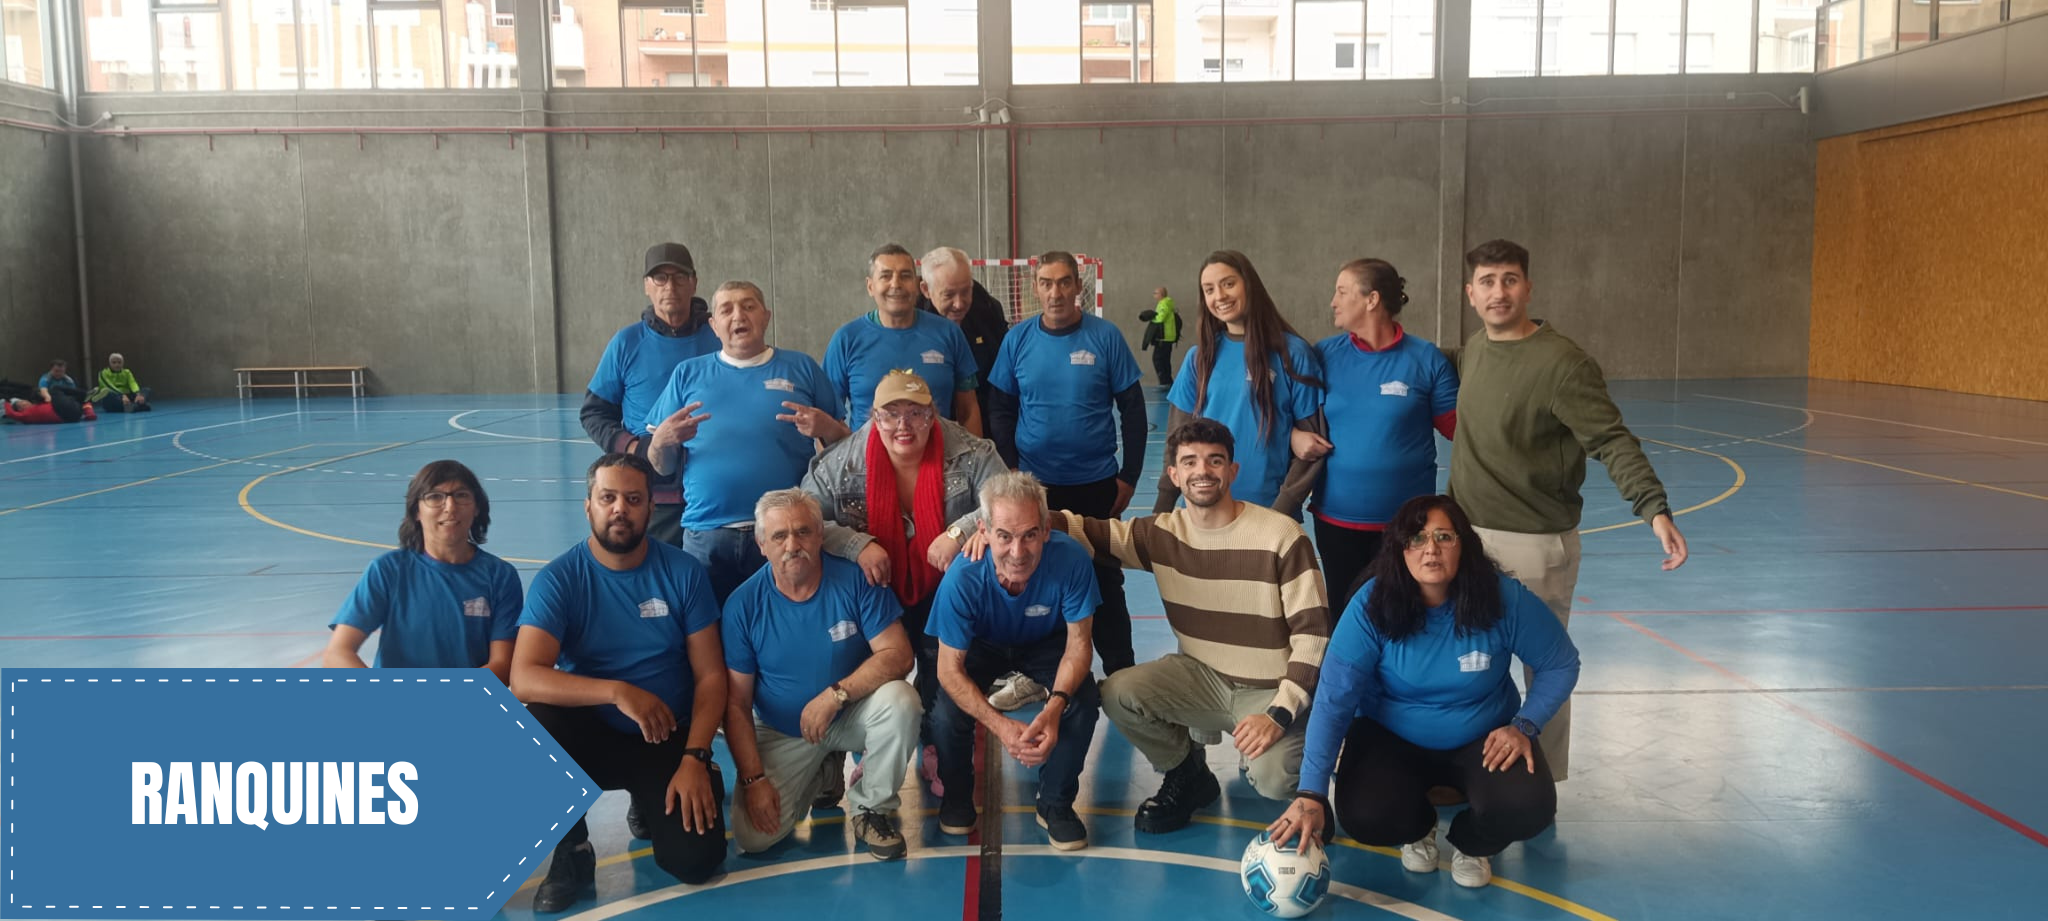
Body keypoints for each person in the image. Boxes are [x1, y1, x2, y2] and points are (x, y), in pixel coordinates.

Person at [1006, 418, 1330, 834]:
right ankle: (1189, 774)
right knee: (1118, 692)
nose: (1202, 471)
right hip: (1203, 678)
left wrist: (1278, 714)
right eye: (1190, 462)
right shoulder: (1162, 534)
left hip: (1270, 687)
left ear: (1233, 471)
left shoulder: (1279, 535)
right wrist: (979, 530)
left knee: (1274, 779)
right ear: (1174, 475)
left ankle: (1313, 759)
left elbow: (1314, 636)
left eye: (1215, 461)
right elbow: (1084, 530)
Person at [1450, 238, 1688, 781]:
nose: (1499, 292)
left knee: (1545, 668)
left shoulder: (1563, 363)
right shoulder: (1475, 349)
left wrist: (1654, 509)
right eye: (1487, 282)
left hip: (1535, 545)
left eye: (1510, 279)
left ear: (1528, 288)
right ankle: (1470, 772)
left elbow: (1612, 440)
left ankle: (1541, 783)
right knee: (1468, 662)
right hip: (1468, 538)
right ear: (1470, 294)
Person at [1267, 494, 1580, 889]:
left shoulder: (1503, 599)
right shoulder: (1371, 605)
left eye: (1444, 537)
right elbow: (1334, 699)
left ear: (1465, 545)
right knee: (1366, 816)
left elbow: (1561, 663)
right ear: (1399, 549)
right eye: (1416, 538)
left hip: (1483, 737)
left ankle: (1471, 842)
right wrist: (1311, 792)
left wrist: (1524, 725)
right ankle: (1419, 830)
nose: (1430, 549)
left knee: (1529, 808)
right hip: (1390, 734)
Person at [512, 454, 728, 911]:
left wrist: (696, 756)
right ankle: (573, 848)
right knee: (535, 722)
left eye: (632, 499)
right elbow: (524, 677)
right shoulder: (560, 579)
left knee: (696, 863)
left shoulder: (682, 572)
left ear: (651, 507)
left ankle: (651, 797)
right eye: (607, 497)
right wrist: (617, 692)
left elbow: (711, 676)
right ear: (588, 505)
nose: (619, 509)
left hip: (664, 734)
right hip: (588, 735)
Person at [801, 369, 1009, 797]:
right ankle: (873, 745)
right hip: (874, 585)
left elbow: (1008, 499)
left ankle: (935, 743)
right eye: (891, 414)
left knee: (941, 667)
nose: (903, 425)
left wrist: (959, 532)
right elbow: (806, 518)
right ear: (873, 417)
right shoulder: (843, 462)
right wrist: (857, 544)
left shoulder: (969, 451)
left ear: (933, 415)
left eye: (915, 413)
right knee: (871, 666)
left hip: (944, 584)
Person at [720, 489, 920, 860]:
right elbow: (736, 704)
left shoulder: (856, 580)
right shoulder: (742, 606)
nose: (792, 545)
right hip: (783, 728)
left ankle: (870, 808)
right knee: (754, 838)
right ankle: (824, 772)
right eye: (779, 536)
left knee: (902, 701)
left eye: (803, 532)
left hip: (849, 713)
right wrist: (753, 780)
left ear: (820, 535)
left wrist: (835, 695)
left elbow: (899, 655)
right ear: (762, 545)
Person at [986, 250, 1147, 677]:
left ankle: (1122, 674)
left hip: (1096, 485)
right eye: (1046, 283)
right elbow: (999, 408)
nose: (1055, 292)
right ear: (1035, 288)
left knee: (1105, 580)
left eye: (1063, 282)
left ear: (1078, 286)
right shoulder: (1017, 340)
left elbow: (1133, 409)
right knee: (1036, 578)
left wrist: (1129, 476)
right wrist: (1012, 468)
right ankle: (1045, 675)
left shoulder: (1105, 337)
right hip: (1037, 489)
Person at [643, 280, 850, 603]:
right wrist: (661, 442)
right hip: (706, 533)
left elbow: (846, 448)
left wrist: (829, 429)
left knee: (782, 621)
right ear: (714, 325)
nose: (738, 315)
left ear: (766, 317)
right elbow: (661, 466)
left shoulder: (801, 367)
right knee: (704, 627)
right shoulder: (687, 374)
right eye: (727, 309)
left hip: (785, 533)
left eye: (748, 306)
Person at [927, 472, 1101, 850]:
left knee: (1083, 702)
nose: (1018, 552)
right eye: (1004, 536)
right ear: (984, 531)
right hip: (983, 643)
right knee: (944, 712)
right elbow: (948, 670)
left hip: (1045, 642)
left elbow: (1078, 647)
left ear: (1047, 529)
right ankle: (957, 798)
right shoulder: (962, 577)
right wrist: (1002, 727)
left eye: (1030, 535)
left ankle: (1055, 803)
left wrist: (1055, 707)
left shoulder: (1071, 560)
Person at [1310, 260, 1458, 617]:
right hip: (1336, 523)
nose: (1333, 301)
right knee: (1346, 617)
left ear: (1372, 299)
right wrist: (1297, 436)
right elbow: (1291, 415)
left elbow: (1461, 431)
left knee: (1403, 617)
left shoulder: (1425, 359)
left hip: (1405, 526)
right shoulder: (1323, 356)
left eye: (1342, 292)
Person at [324, 460, 522, 683]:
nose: (450, 507)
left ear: (477, 507)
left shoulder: (500, 576)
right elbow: (337, 653)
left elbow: (502, 665)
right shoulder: (388, 571)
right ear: (416, 510)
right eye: (435, 497)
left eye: (461, 495)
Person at [1157, 251, 1324, 515]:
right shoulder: (1198, 358)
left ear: (1249, 284)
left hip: (1268, 512)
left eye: (1228, 284)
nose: (1220, 296)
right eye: (1209, 290)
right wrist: (1162, 510)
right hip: (1201, 513)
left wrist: (1281, 511)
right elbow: (1176, 440)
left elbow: (1312, 448)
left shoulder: (1292, 353)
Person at [581, 243, 721, 545]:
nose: (670, 286)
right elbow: (594, 413)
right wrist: (634, 448)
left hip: (716, 490)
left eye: (679, 277)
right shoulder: (626, 343)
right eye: (660, 278)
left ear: (694, 282)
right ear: (647, 285)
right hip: (653, 493)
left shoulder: (720, 337)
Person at [824, 243, 984, 436]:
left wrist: (974, 454)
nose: (896, 284)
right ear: (870, 286)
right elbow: (827, 418)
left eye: (905, 276)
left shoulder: (949, 333)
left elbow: (968, 410)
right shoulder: (846, 340)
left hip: (940, 454)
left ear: (916, 285)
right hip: (868, 455)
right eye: (886, 276)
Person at [917, 246, 1011, 424]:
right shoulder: (911, 324)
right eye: (949, 295)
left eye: (966, 291)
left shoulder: (989, 312)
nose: (959, 304)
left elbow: (1001, 383)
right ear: (926, 289)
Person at [1146, 286, 1180, 386]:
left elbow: (1160, 318)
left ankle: (1164, 382)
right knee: (1165, 360)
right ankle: (1168, 382)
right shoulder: (1167, 303)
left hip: (1164, 338)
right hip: (1168, 337)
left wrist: (1151, 318)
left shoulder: (1164, 304)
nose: (1154, 295)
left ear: (1161, 294)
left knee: (1158, 359)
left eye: (1155, 293)